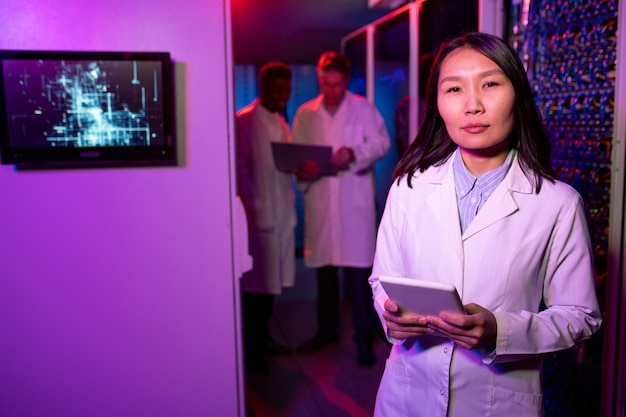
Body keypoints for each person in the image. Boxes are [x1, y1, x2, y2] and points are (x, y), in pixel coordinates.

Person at [369, 32, 602, 416]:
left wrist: (500, 330)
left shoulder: (557, 203)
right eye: (454, 88)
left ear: (518, 95)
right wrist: (390, 313)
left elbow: (581, 315)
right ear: (438, 103)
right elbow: (382, 279)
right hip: (405, 398)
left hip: (498, 404)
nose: (472, 105)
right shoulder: (408, 188)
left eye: (490, 84)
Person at [291, 51, 391, 366]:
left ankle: (363, 337)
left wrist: (354, 153)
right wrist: (302, 169)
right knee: (324, 272)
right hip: (322, 199)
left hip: (353, 203)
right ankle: (326, 331)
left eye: (336, 84)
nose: (331, 90)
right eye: (325, 83)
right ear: (320, 78)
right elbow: (297, 155)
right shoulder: (307, 114)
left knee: (358, 274)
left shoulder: (363, 109)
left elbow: (382, 143)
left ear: (346, 81)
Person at [235, 62, 298, 375]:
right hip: (258, 217)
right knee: (255, 291)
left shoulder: (279, 121)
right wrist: (255, 207)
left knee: (272, 286)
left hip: (281, 213)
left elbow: (283, 163)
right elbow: (240, 171)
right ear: (262, 88)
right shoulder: (244, 122)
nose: (283, 98)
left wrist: (301, 167)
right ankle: (252, 351)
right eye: (278, 92)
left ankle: (264, 341)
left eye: (287, 92)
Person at [394, 53, 435, 158]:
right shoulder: (406, 106)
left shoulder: (445, 103)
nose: (428, 80)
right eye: (425, 75)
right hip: (417, 165)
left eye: (432, 75)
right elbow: (404, 144)